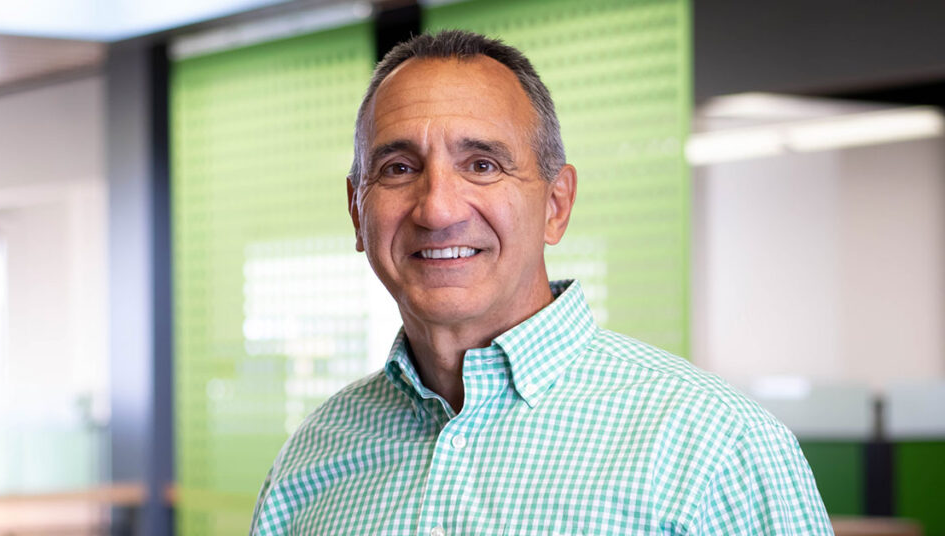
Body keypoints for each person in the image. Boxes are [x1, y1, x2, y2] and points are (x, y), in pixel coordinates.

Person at [250, 30, 832, 535]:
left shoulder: (716, 447)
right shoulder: (312, 457)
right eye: (398, 169)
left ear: (556, 205)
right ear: (358, 212)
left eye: (482, 165)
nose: (437, 209)